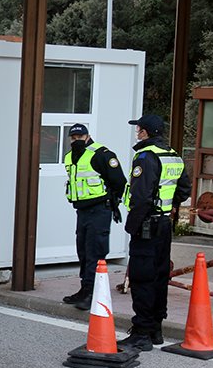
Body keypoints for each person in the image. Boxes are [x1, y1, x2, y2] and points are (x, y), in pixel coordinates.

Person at [117, 114, 191, 351]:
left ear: (146, 132)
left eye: (138, 129)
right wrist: (165, 205)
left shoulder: (146, 157)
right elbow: (184, 191)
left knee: (142, 277)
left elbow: (140, 198)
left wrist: (133, 227)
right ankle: (155, 329)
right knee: (159, 276)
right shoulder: (173, 156)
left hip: (147, 225)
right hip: (164, 225)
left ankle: (141, 333)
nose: (136, 133)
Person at [62, 123, 127, 311]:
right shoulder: (70, 157)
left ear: (88, 136)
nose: (76, 141)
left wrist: (112, 202)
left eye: (79, 138)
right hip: (82, 211)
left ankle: (93, 293)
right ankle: (85, 289)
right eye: (73, 139)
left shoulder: (102, 154)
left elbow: (119, 181)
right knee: (83, 251)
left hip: (99, 210)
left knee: (95, 252)